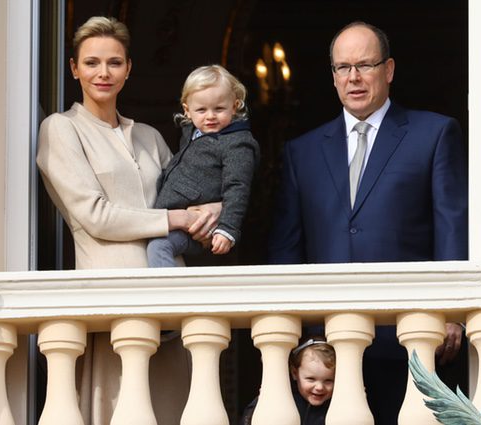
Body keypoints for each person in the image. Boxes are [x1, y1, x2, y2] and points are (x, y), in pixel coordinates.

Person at [267, 21, 468, 424]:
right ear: (333, 76)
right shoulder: (301, 151)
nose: (353, 78)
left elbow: (452, 224)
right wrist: (295, 338)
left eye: (365, 65)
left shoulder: (433, 133)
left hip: (412, 340)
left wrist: (452, 310)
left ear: (389, 70)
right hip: (328, 353)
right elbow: (287, 249)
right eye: (343, 68)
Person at [36, 16, 218, 425]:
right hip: (113, 301)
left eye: (114, 62)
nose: (103, 73)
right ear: (74, 68)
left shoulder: (150, 136)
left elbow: (193, 203)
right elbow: (95, 216)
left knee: (176, 410)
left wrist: (217, 211)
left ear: (129, 69)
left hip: (171, 301)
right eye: (92, 62)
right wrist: (175, 218)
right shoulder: (61, 130)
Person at [147, 65, 260, 267]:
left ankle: (167, 296)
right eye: (201, 109)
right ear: (187, 111)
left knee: (159, 246)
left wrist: (227, 229)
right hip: (172, 216)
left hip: (199, 227)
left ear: (234, 106)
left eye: (219, 109)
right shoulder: (192, 132)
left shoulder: (237, 143)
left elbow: (237, 188)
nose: (210, 116)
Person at [241, 337, 335, 425]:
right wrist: (260, 403)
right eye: (311, 379)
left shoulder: (335, 405)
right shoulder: (285, 399)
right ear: (294, 373)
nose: (319, 387)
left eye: (328, 380)